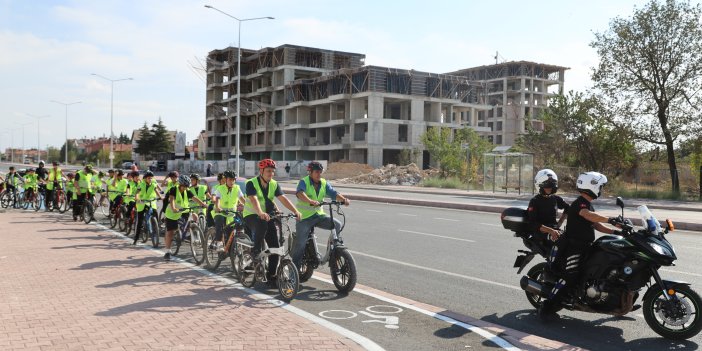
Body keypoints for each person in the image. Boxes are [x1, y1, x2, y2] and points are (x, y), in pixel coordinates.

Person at [539, 171, 621, 320]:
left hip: (586, 246)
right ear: (592, 185)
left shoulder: (588, 205)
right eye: (600, 186)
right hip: (573, 247)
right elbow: (586, 215)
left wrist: (617, 231)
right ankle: (547, 306)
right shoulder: (580, 203)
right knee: (571, 276)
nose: (601, 190)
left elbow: (596, 225)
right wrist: (611, 219)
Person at [243, 159, 301, 285]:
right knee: (261, 224)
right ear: (261, 171)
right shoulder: (251, 183)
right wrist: (259, 212)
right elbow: (254, 199)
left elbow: (283, 198)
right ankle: (256, 251)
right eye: (268, 171)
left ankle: (271, 275)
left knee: (275, 246)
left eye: (273, 171)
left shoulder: (274, 184)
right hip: (251, 215)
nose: (271, 174)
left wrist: (295, 211)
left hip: (266, 216)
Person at [292, 161, 349, 271]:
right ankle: (294, 270)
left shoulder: (323, 183)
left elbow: (333, 193)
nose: (319, 174)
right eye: (317, 172)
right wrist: (310, 201)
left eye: (320, 172)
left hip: (318, 216)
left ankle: (333, 250)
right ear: (310, 172)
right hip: (304, 218)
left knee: (337, 224)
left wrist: (344, 200)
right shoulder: (304, 182)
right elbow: (300, 193)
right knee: (301, 244)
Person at [163, 175, 206, 260]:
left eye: (187, 186)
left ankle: (193, 234)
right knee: (170, 232)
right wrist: (174, 208)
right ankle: (167, 251)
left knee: (195, 217)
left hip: (184, 210)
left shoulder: (187, 190)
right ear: (180, 184)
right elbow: (171, 200)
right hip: (172, 213)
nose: (186, 188)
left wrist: (203, 204)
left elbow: (194, 198)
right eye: (184, 186)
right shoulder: (173, 189)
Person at [527, 169, 569, 243]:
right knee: (560, 243)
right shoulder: (534, 201)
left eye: (551, 185)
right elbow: (533, 223)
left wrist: (559, 223)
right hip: (540, 232)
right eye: (546, 186)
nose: (549, 188)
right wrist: (551, 231)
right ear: (540, 186)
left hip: (554, 229)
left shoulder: (555, 198)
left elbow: (568, 208)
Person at [212, 170, 245, 252]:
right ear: (225, 179)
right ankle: (219, 242)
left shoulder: (237, 188)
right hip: (220, 212)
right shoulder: (220, 188)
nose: (232, 182)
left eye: (234, 180)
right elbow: (217, 199)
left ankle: (229, 250)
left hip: (231, 214)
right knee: (219, 222)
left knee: (231, 231)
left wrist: (249, 206)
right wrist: (218, 207)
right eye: (230, 179)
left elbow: (242, 199)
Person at [133, 170, 162, 245]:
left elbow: (156, 191)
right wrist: (137, 198)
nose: (150, 179)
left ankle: (156, 232)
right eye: (149, 178)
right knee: (140, 221)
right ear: (145, 178)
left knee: (155, 215)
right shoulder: (141, 184)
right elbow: (137, 193)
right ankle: (136, 239)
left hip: (151, 202)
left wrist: (161, 197)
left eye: (151, 178)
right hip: (142, 203)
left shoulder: (153, 184)